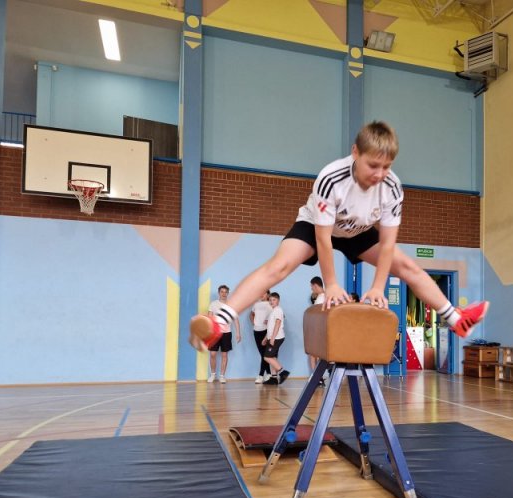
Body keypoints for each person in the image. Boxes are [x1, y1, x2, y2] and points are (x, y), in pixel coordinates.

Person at [190, 121, 488, 354]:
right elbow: (323, 240)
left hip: (358, 231)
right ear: (355, 153)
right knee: (279, 266)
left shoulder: (392, 188)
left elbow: (387, 243)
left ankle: (456, 319)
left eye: (386, 167)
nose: (379, 174)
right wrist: (331, 284)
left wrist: (378, 287)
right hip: (316, 226)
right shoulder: (332, 179)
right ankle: (219, 320)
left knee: (408, 266)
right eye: (373, 165)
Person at [207, 284, 241, 383]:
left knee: (224, 355)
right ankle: (213, 375)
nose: (224, 293)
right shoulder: (213, 304)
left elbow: (236, 320)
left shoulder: (231, 305)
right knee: (213, 354)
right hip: (215, 333)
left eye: (225, 292)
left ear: (228, 293)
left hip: (226, 333)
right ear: (219, 293)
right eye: (222, 292)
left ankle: (222, 376)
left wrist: (238, 333)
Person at [262, 292, 289, 385]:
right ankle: (273, 378)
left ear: (278, 301)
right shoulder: (273, 311)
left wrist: (272, 339)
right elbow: (271, 327)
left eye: (274, 300)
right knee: (272, 357)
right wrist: (266, 338)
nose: (271, 301)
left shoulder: (278, 310)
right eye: (270, 300)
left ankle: (282, 372)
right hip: (273, 337)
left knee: (267, 357)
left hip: (277, 338)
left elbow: (277, 324)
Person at [250, 290, 273, 384]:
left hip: (266, 331)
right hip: (256, 331)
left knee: (265, 355)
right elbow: (251, 314)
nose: (262, 294)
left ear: (268, 294)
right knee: (263, 354)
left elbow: (279, 317)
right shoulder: (256, 304)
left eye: (264, 293)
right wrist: (254, 322)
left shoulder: (271, 304)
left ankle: (260, 375)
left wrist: (270, 322)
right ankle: (269, 373)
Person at [308, 276, 326, 386]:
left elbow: (319, 316)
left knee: (314, 354)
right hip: (320, 330)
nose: (311, 289)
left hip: (319, 330)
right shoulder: (324, 296)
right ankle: (318, 377)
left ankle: (317, 377)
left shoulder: (321, 298)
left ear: (315, 285)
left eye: (311, 287)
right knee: (315, 354)